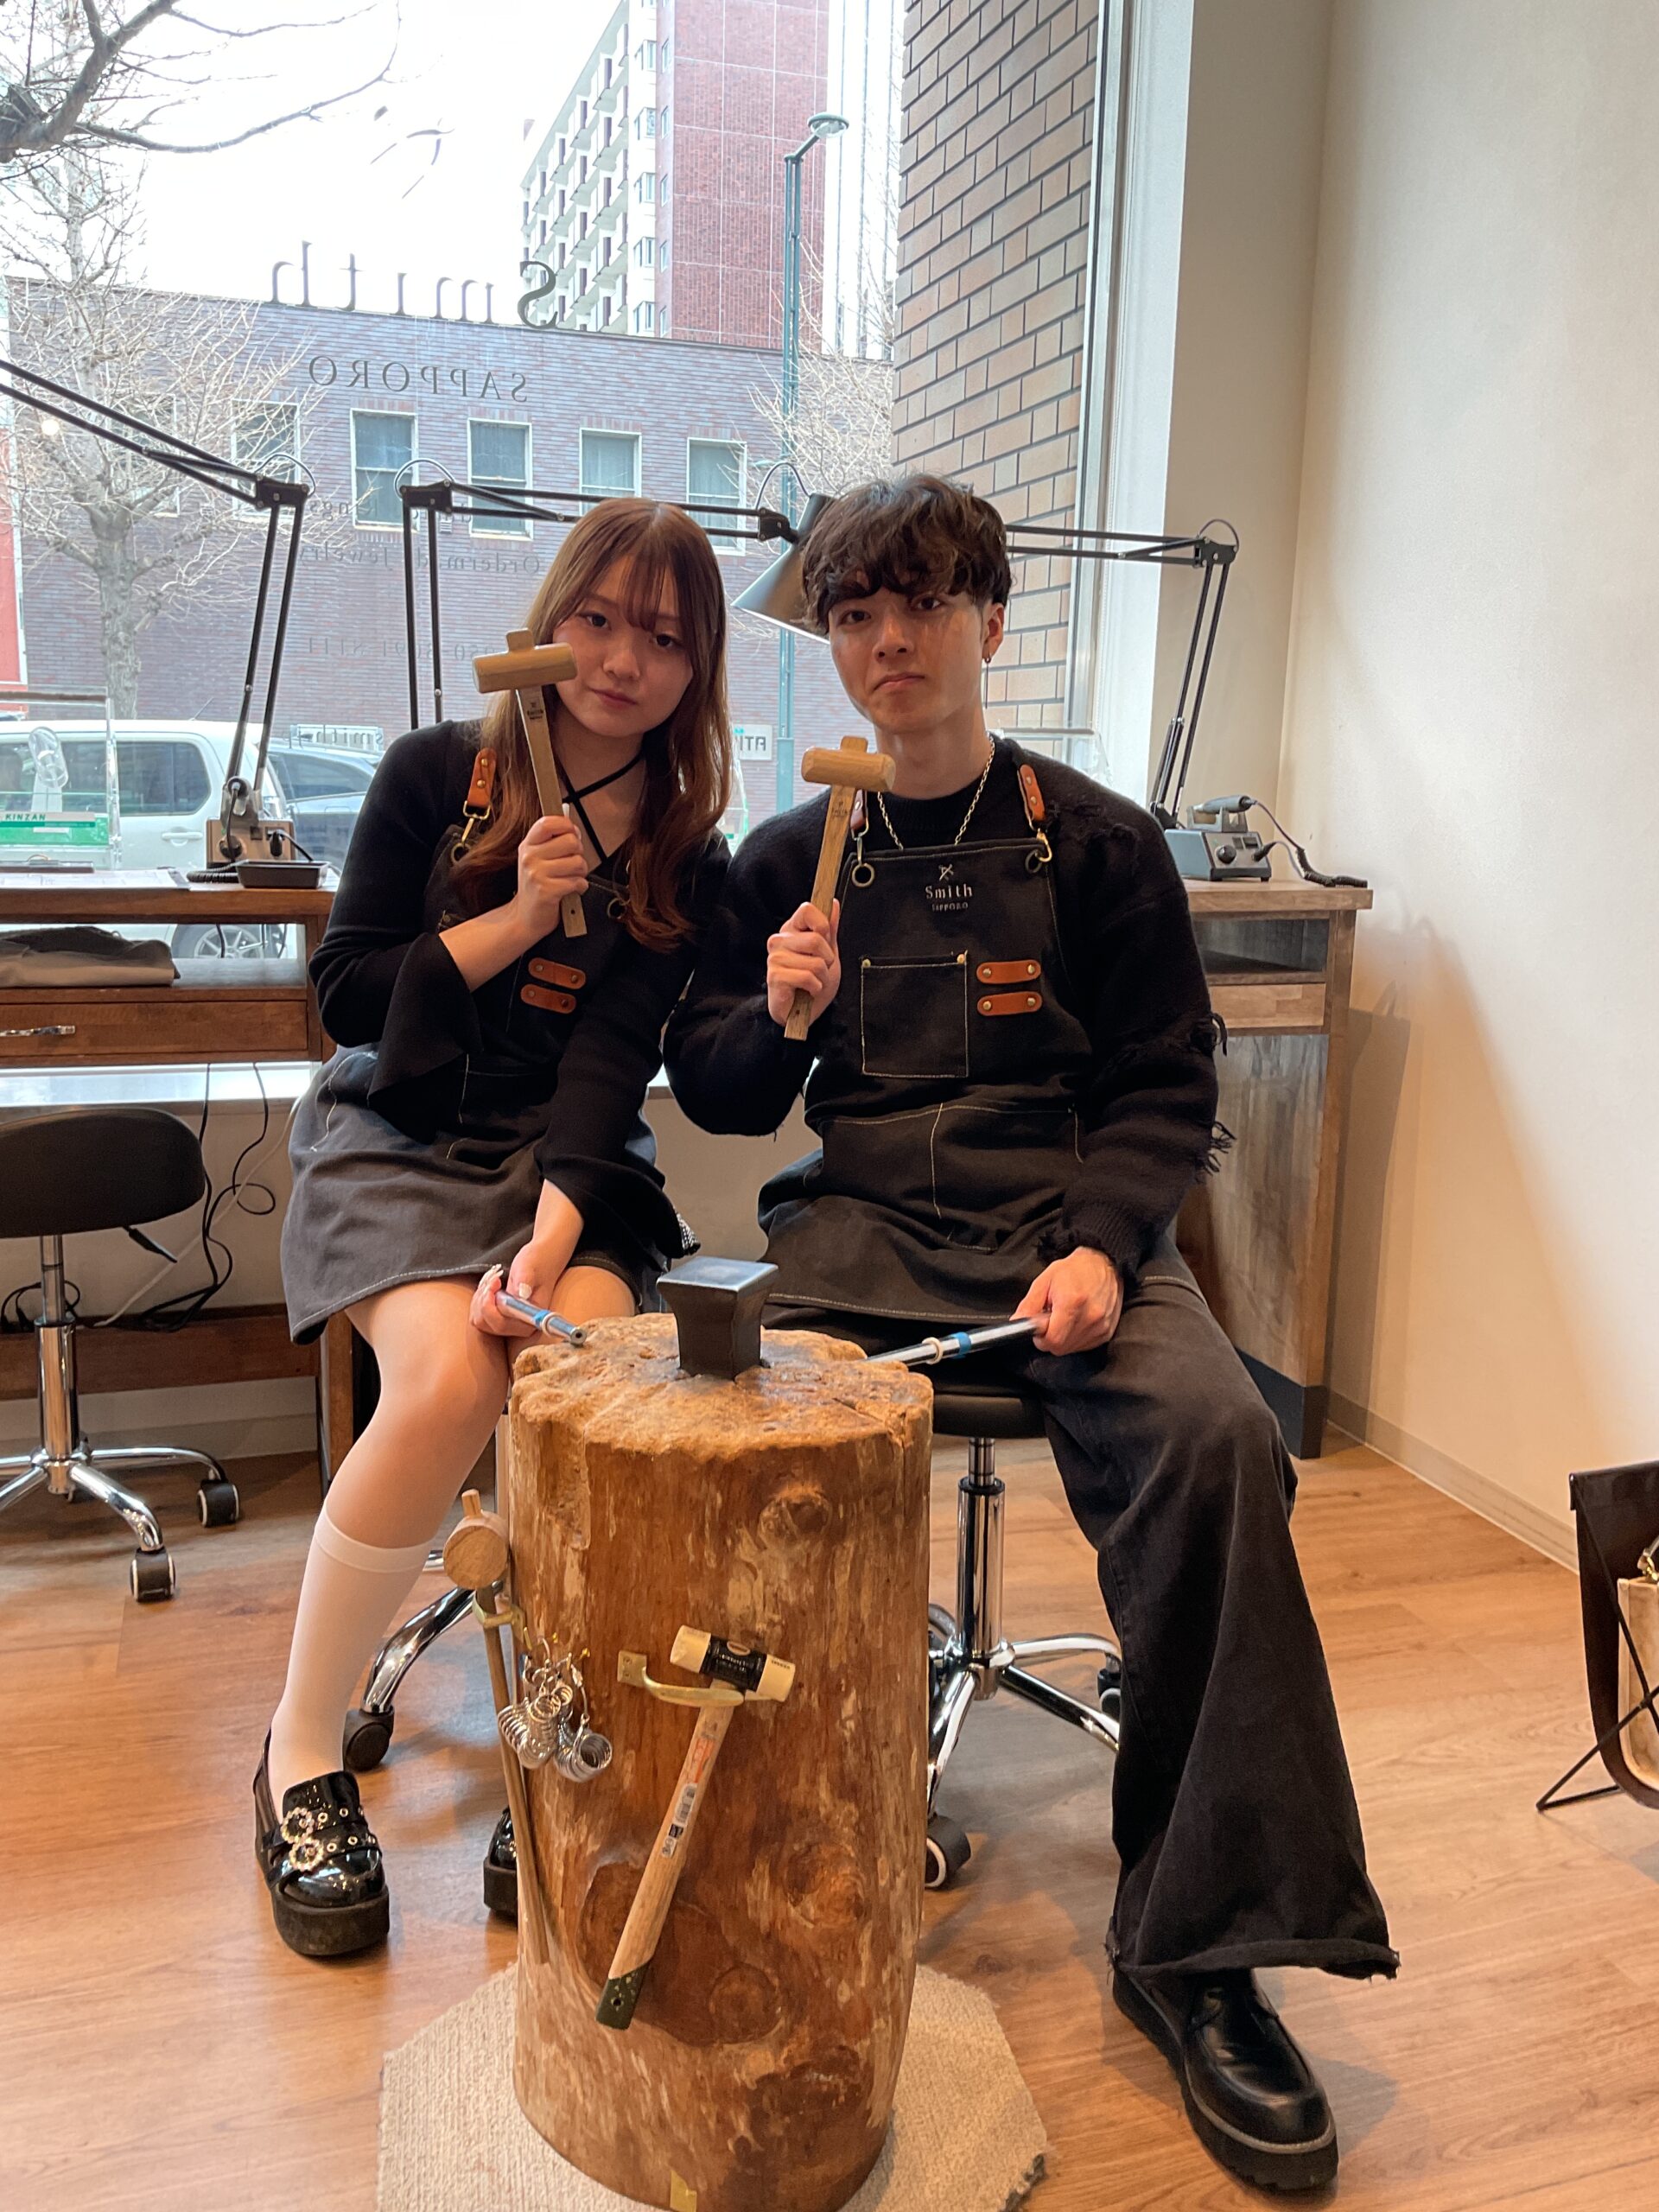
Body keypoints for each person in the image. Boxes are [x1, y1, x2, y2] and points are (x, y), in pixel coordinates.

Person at [662, 476, 1395, 2193]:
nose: (887, 640)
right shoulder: (787, 858)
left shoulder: (1102, 842)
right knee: (717, 1431)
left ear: (990, 619)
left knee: (1220, 1442)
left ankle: (1198, 1949)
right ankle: (740, 1852)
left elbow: (1167, 1081)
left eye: (921, 603)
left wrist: (1102, 1240)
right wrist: (774, 1014)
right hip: (859, 1229)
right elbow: (714, 1089)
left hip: (1065, 1229)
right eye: (854, 614)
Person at [258, 498, 732, 1960]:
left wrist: (554, 1229)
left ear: (697, 668)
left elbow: (614, 1060)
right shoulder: (436, 774)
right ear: (550, 620)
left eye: (665, 638)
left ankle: (556, 1749)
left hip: (563, 1163)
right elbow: (346, 997)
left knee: (587, 1389)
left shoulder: (686, 847)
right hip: (400, 1137)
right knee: (451, 1384)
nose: (624, 661)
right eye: (598, 619)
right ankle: (299, 1752)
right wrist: (518, 918)